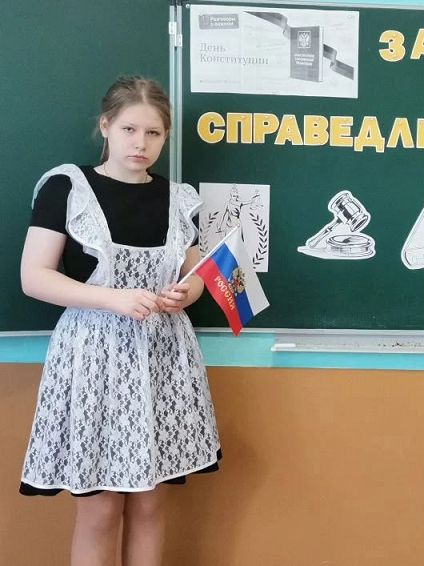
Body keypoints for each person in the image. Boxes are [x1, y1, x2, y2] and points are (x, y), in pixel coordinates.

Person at [19, 76, 220, 566]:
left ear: (165, 136)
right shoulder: (68, 188)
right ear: (106, 126)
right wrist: (113, 299)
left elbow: (197, 273)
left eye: (153, 133)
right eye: (129, 129)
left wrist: (186, 292)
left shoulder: (179, 199)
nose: (140, 143)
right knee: (100, 508)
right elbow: (34, 277)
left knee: (150, 504)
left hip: (163, 358)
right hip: (93, 357)